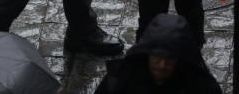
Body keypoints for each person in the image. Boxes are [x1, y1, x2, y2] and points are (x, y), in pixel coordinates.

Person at [94, 13, 222, 94]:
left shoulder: (201, 86)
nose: (162, 65)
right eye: (157, 57)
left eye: (169, 58)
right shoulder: (121, 81)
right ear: (147, 55)